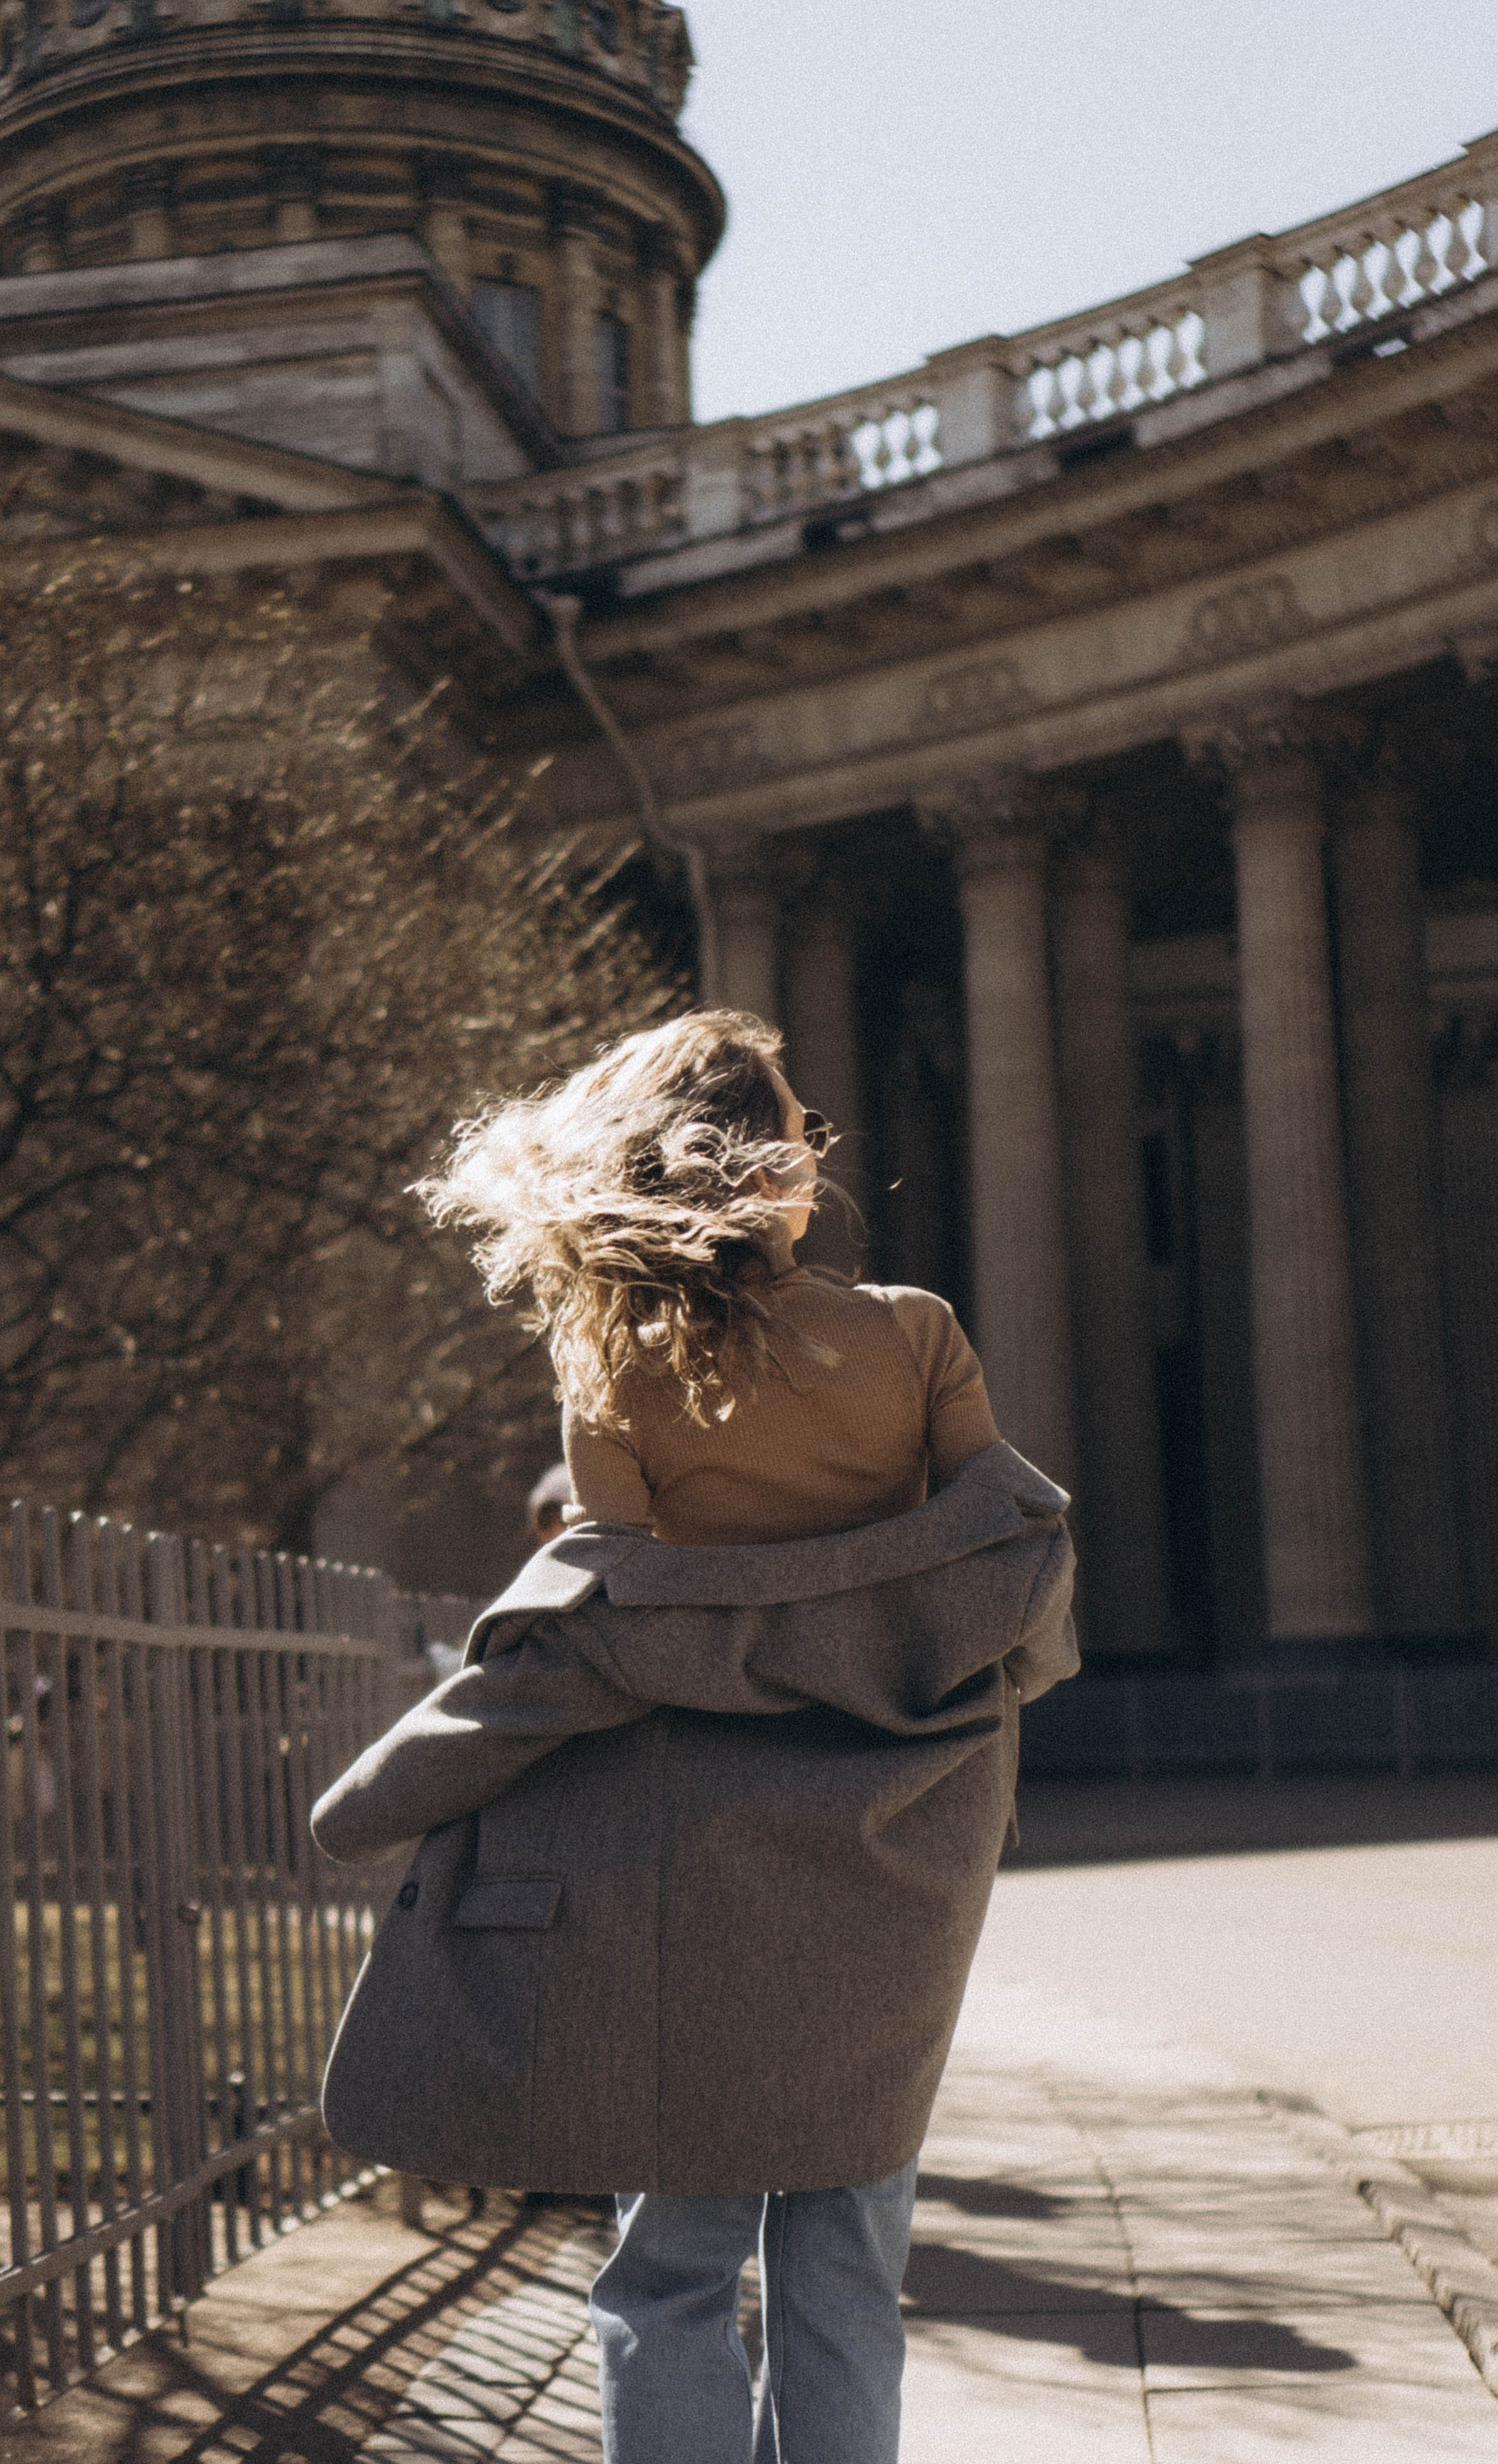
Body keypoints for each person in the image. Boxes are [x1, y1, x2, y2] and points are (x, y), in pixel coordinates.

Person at [312, 1009, 1077, 2464]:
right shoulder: (913, 1335)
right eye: (799, 1124)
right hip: (889, 1862)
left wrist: (396, 1783)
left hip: (677, 1880)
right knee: (847, 2271)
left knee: (665, 2276)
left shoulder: (612, 1361)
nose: (816, 1149)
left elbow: (615, 1612)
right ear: (756, 1157)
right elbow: (1012, 1576)